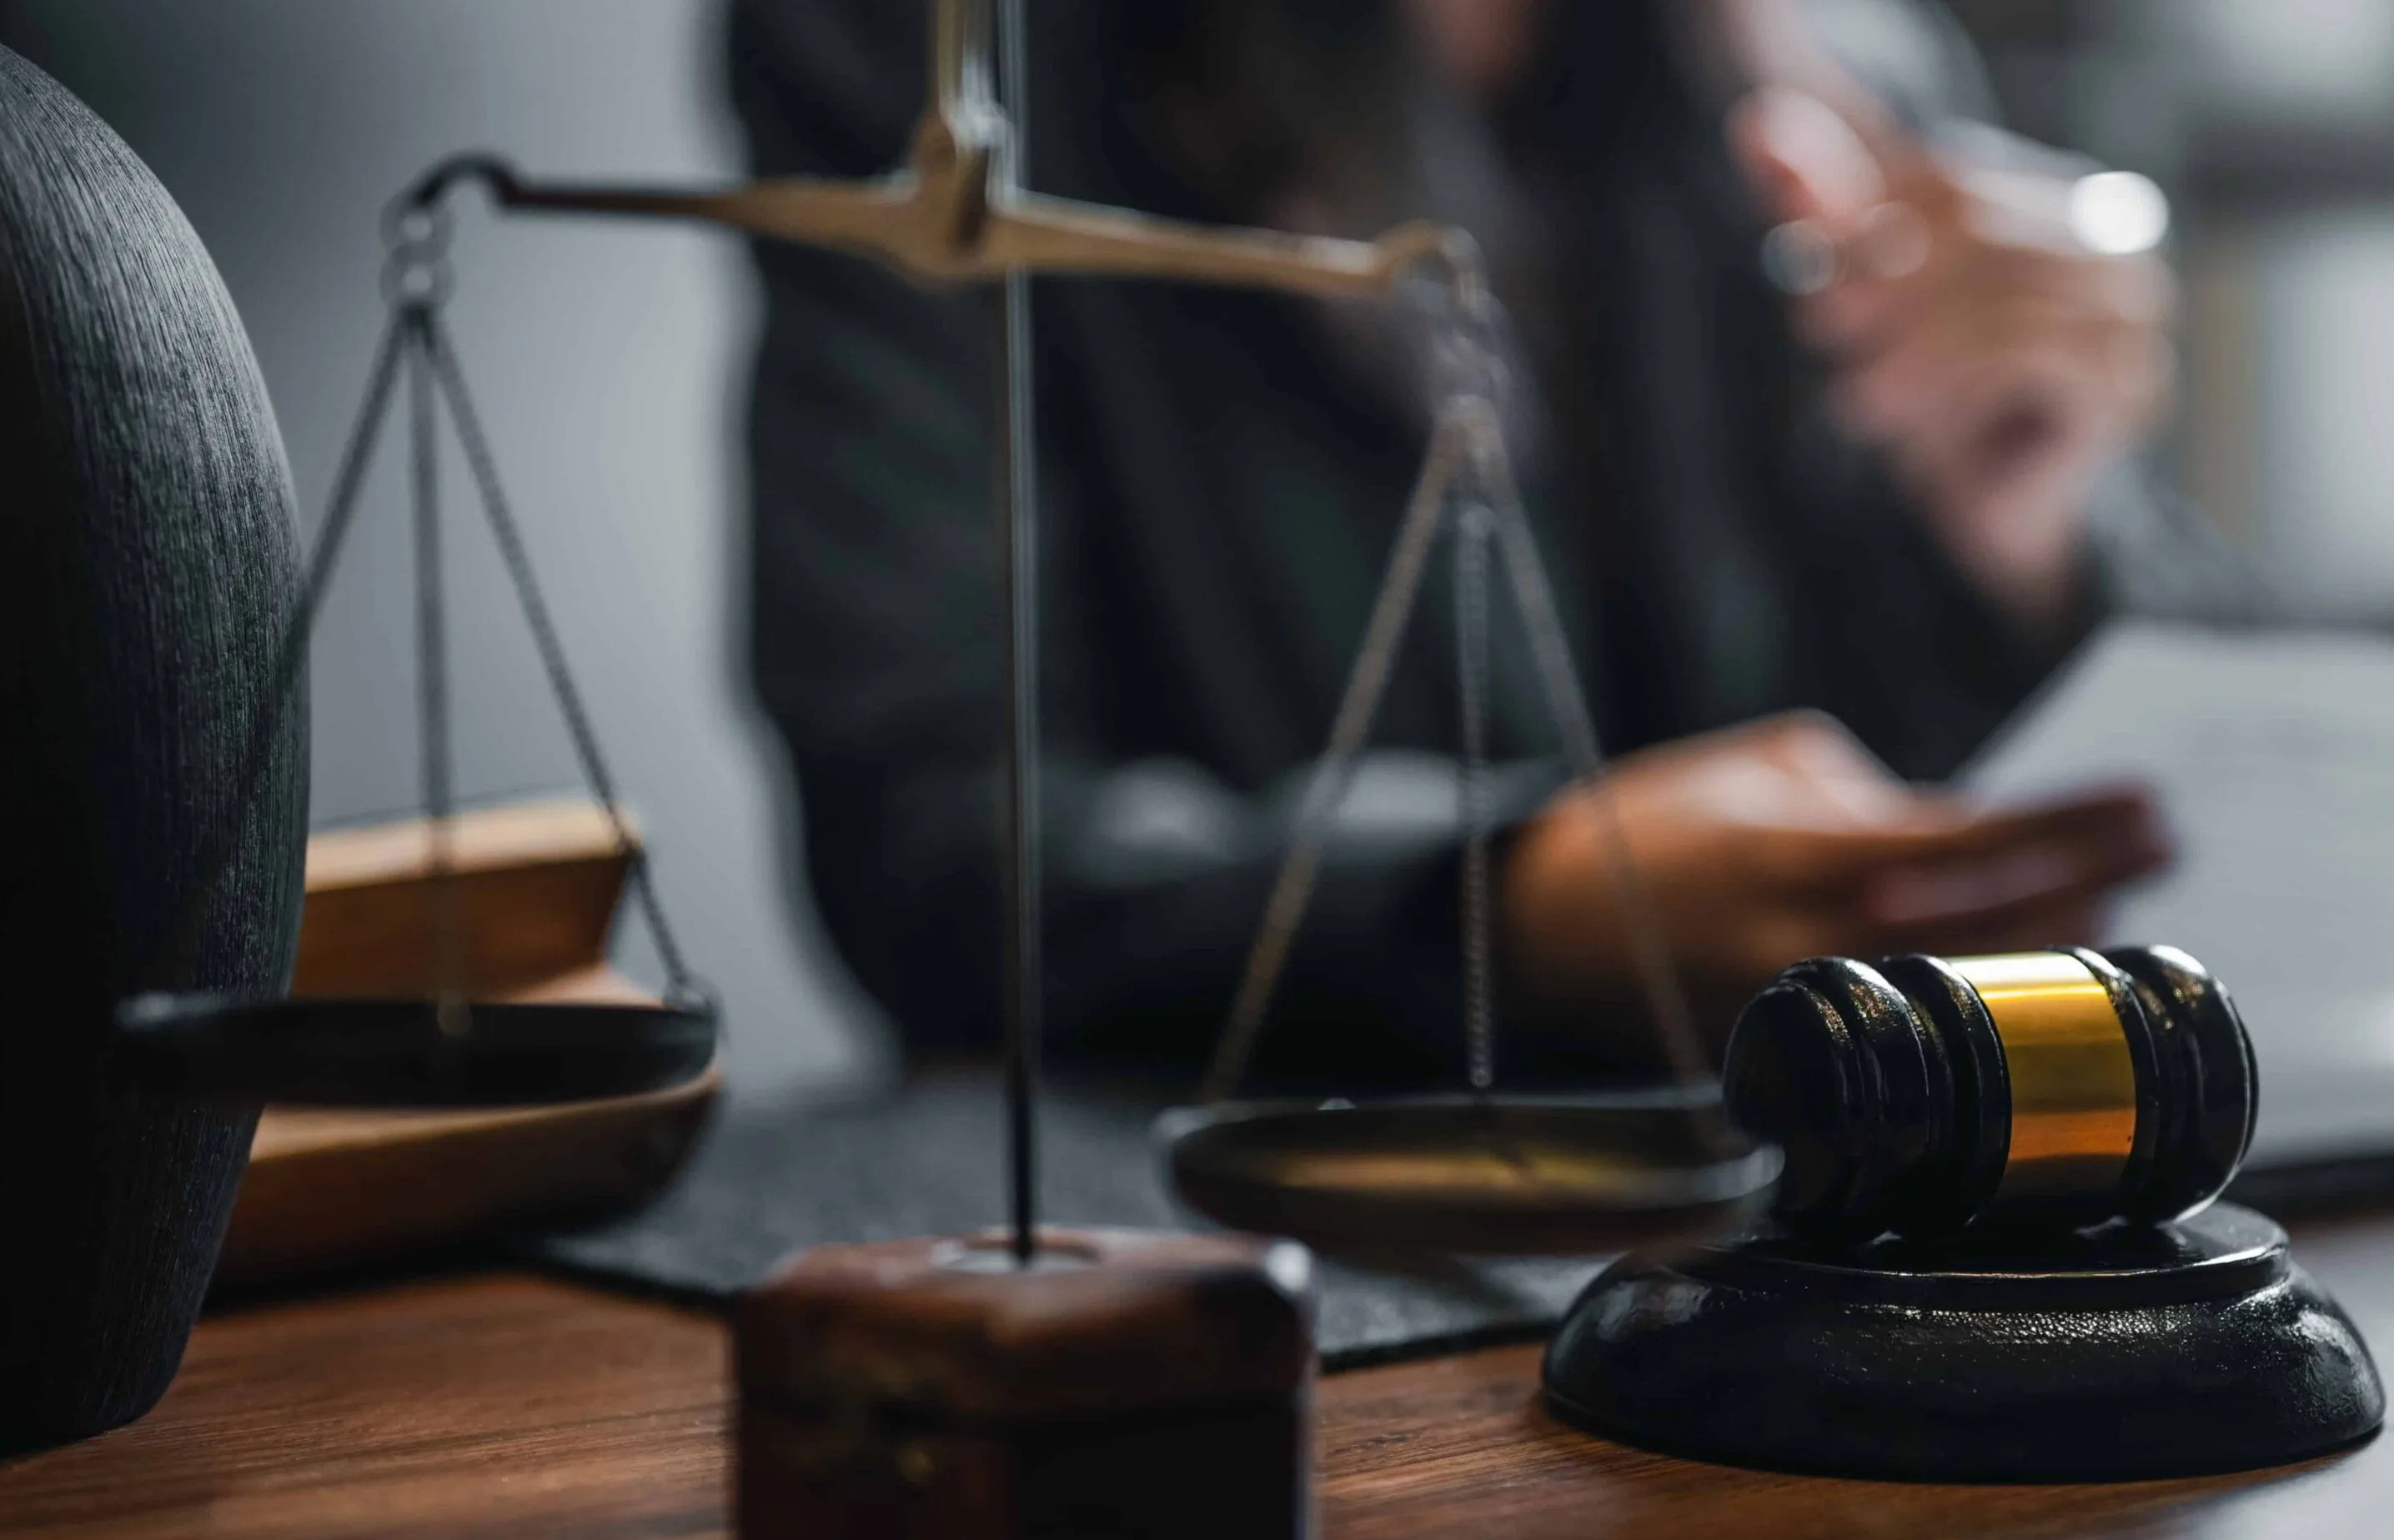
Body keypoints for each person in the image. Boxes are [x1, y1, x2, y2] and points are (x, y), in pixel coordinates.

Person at [733, 0, 2241, 1081]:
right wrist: (1502, 907)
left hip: (1794, 1217)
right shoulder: (947, 59)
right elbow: (932, 845)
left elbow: (2063, 810)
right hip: (1252, 1231)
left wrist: (2015, 529)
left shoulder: (1840, 63)